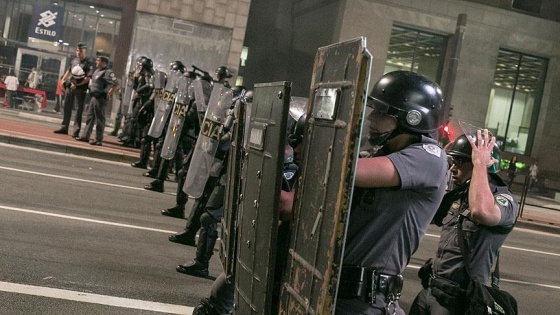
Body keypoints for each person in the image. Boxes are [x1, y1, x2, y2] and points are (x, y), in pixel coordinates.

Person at [335, 71, 448, 315]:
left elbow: (347, 170)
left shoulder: (429, 157)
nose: (372, 117)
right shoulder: (384, 153)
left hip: (366, 301)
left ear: (411, 118)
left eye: (382, 111)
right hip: (339, 292)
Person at [191, 112, 304, 315]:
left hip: (280, 259)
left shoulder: (300, 171)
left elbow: (284, 205)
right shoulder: (289, 165)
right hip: (262, 251)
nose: (295, 149)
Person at [409, 130, 518, 315]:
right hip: (430, 291)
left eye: (459, 162)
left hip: (457, 302)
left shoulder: (501, 198)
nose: (453, 168)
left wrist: (479, 164)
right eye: (453, 162)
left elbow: (481, 212)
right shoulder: (460, 194)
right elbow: (424, 210)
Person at [76, 56, 117, 146]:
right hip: (93, 97)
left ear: (104, 62)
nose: (96, 62)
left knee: (100, 119)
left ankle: (98, 139)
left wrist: (108, 93)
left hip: (100, 98)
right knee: (89, 117)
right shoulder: (96, 71)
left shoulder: (108, 72)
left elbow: (115, 83)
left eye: (98, 61)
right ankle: (85, 136)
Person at [54, 42, 93, 137]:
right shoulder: (74, 61)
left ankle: (76, 131)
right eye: (77, 50)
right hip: (70, 86)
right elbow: (69, 71)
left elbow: (88, 78)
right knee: (67, 107)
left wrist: (77, 84)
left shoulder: (88, 63)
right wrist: (63, 80)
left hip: (80, 88)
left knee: (79, 110)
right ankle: (64, 127)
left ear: (85, 52)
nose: (78, 52)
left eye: (80, 51)